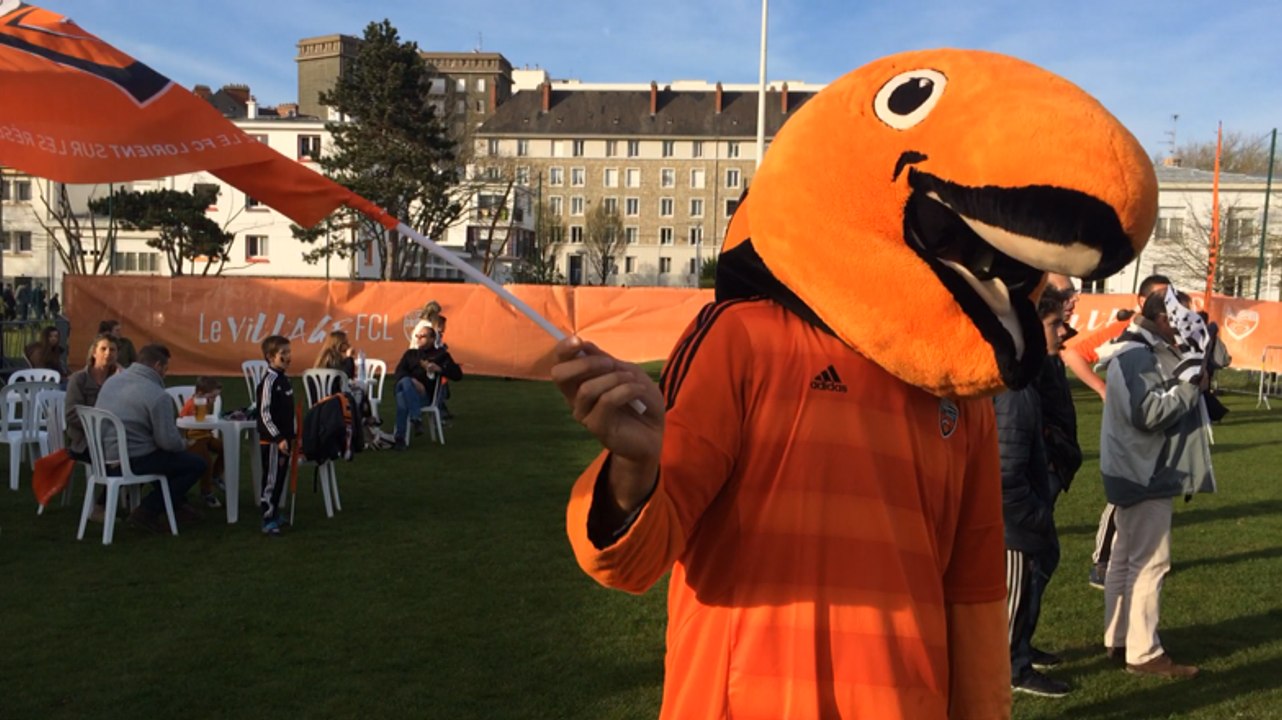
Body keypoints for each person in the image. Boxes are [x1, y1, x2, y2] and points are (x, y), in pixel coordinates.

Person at [1097, 289, 1213, 679]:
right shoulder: (1138, 354)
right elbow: (1148, 413)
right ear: (1164, 319)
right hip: (1143, 469)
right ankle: (1144, 653)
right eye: (1182, 319)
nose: (1186, 327)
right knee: (1149, 563)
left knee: (1125, 558)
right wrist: (1190, 388)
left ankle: (1119, 639)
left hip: (1131, 467)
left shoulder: (1133, 347)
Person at [1064, 274, 1170, 589]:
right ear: (1142, 301)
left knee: (1151, 494)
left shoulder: (1168, 333)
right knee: (1124, 492)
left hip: (1156, 424)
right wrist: (1101, 388)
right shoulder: (1126, 329)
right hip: (1129, 427)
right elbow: (1073, 353)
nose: (1166, 304)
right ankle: (1103, 560)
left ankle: (1137, 559)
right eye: (1160, 297)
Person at [997, 289, 1070, 697]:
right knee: (1014, 594)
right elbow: (1004, 470)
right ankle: (1013, 668)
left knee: (1030, 585)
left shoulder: (1028, 381)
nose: (1063, 332)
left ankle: (1020, 652)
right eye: (1054, 324)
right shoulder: (1013, 392)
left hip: (1025, 513)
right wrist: (1033, 514)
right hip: (1015, 521)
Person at [94, 343, 207, 534]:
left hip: (104, 455)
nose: (165, 374)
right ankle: (147, 510)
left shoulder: (112, 382)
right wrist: (184, 444)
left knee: (165, 460)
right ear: (157, 366)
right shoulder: (157, 395)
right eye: (165, 369)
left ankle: (177, 506)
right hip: (133, 459)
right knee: (196, 464)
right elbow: (167, 442)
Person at [65, 333, 120, 523]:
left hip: (114, 438)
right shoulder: (79, 379)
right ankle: (100, 507)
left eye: (112, 350)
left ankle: (130, 500)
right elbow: (71, 414)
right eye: (103, 349)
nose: (108, 353)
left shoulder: (119, 379)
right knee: (118, 460)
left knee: (139, 454)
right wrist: (99, 427)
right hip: (84, 441)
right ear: (94, 353)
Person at [392, 321, 461, 449]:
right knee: (405, 382)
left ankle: (400, 438)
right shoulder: (410, 354)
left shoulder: (441, 355)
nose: (418, 339)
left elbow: (458, 375)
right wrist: (414, 382)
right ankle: (416, 418)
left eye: (422, 336)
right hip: (409, 388)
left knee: (402, 397)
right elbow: (399, 372)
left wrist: (440, 369)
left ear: (432, 339)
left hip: (425, 396)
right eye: (417, 336)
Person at [256, 335, 295, 535]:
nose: (288, 357)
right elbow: (264, 414)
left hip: (284, 440)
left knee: (280, 478)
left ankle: (275, 512)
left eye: (289, 352)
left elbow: (288, 412)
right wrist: (278, 438)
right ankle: (268, 518)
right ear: (271, 357)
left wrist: (292, 435)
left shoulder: (284, 379)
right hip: (272, 441)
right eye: (283, 354)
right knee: (271, 480)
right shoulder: (269, 381)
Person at [178, 376, 226, 509]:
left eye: (216, 397)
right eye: (212, 397)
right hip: (194, 438)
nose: (214, 400)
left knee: (226, 449)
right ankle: (206, 492)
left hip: (206, 436)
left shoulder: (207, 403)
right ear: (200, 394)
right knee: (207, 461)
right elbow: (181, 420)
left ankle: (216, 476)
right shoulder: (191, 404)